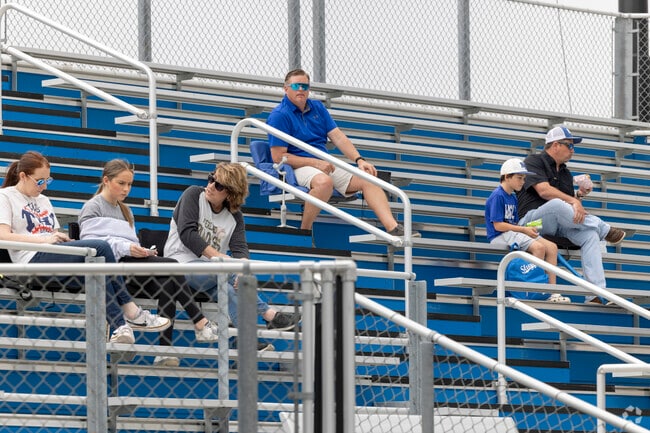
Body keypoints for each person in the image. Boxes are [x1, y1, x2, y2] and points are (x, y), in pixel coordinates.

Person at [0, 151, 170, 344]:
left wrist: (63, 240)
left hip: (53, 254)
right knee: (102, 247)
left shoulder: (43, 200)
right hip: (30, 261)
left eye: (48, 181)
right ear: (23, 176)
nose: (44, 186)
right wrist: (44, 241)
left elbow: (53, 232)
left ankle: (120, 328)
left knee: (97, 271)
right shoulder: (5, 196)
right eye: (40, 181)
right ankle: (131, 311)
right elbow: (2, 235)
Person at [78, 159, 221, 367]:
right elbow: (94, 244)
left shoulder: (126, 211)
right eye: (121, 183)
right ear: (106, 181)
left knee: (168, 283)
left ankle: (164, 350)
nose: (126, 189)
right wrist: (129, 248)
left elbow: (129, 243)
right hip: (113, 271)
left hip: (132, 267)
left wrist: (142, 251)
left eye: (129, 184)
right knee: (171, 265)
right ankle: (200, 321)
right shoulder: (93, 206)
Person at [266, 68, 420, 238]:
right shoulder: (279, 116)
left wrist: (359, 160)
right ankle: (305, 231)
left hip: (324, 162)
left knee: (367, 177)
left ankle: (393, 228)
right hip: (298, 166)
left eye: (305, 86)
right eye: (296, 85)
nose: (301, 89)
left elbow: (338, 137)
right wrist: (316, 163)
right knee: (324, 182)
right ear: (286, 88)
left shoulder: (317, 107)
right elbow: (279, 157)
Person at [164, 162, 300, 351]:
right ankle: (270, 314)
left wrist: (242, 270)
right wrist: (222, 260)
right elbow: (188, 235)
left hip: (214, 275)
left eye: (218, 185)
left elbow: (240, 249)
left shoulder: (235, 217)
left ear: (231, 193)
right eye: (211, 179)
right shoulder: (194, 194)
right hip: (180, 266)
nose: (211, 186)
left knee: (230, 290)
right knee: (226, 274)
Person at [517, 126, 626, 304]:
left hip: (556, 226)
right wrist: (574, 201)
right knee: (557, 204)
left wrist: (580, 195)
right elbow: (544, 191)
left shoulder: (566, 173)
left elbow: (572, 210)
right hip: (530, 225)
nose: (572, 150)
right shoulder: (534, 161)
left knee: (590, 235)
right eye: (569, 145)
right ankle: (604, 229)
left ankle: (596, 294)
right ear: (555, 145)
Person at [485, 158, 569, 303]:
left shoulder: (513, 197)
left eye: (524, 178)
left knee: (552, 247)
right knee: (539, 247)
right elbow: (498, 226)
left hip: (512, 233)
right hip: (499, 235)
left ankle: (552, 292)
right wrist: (523, 229)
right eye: (519, 178)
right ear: (507, 177)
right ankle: (534, 288)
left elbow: (514, 222)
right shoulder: (497, 195)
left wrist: (527, 229)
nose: (523, 182)